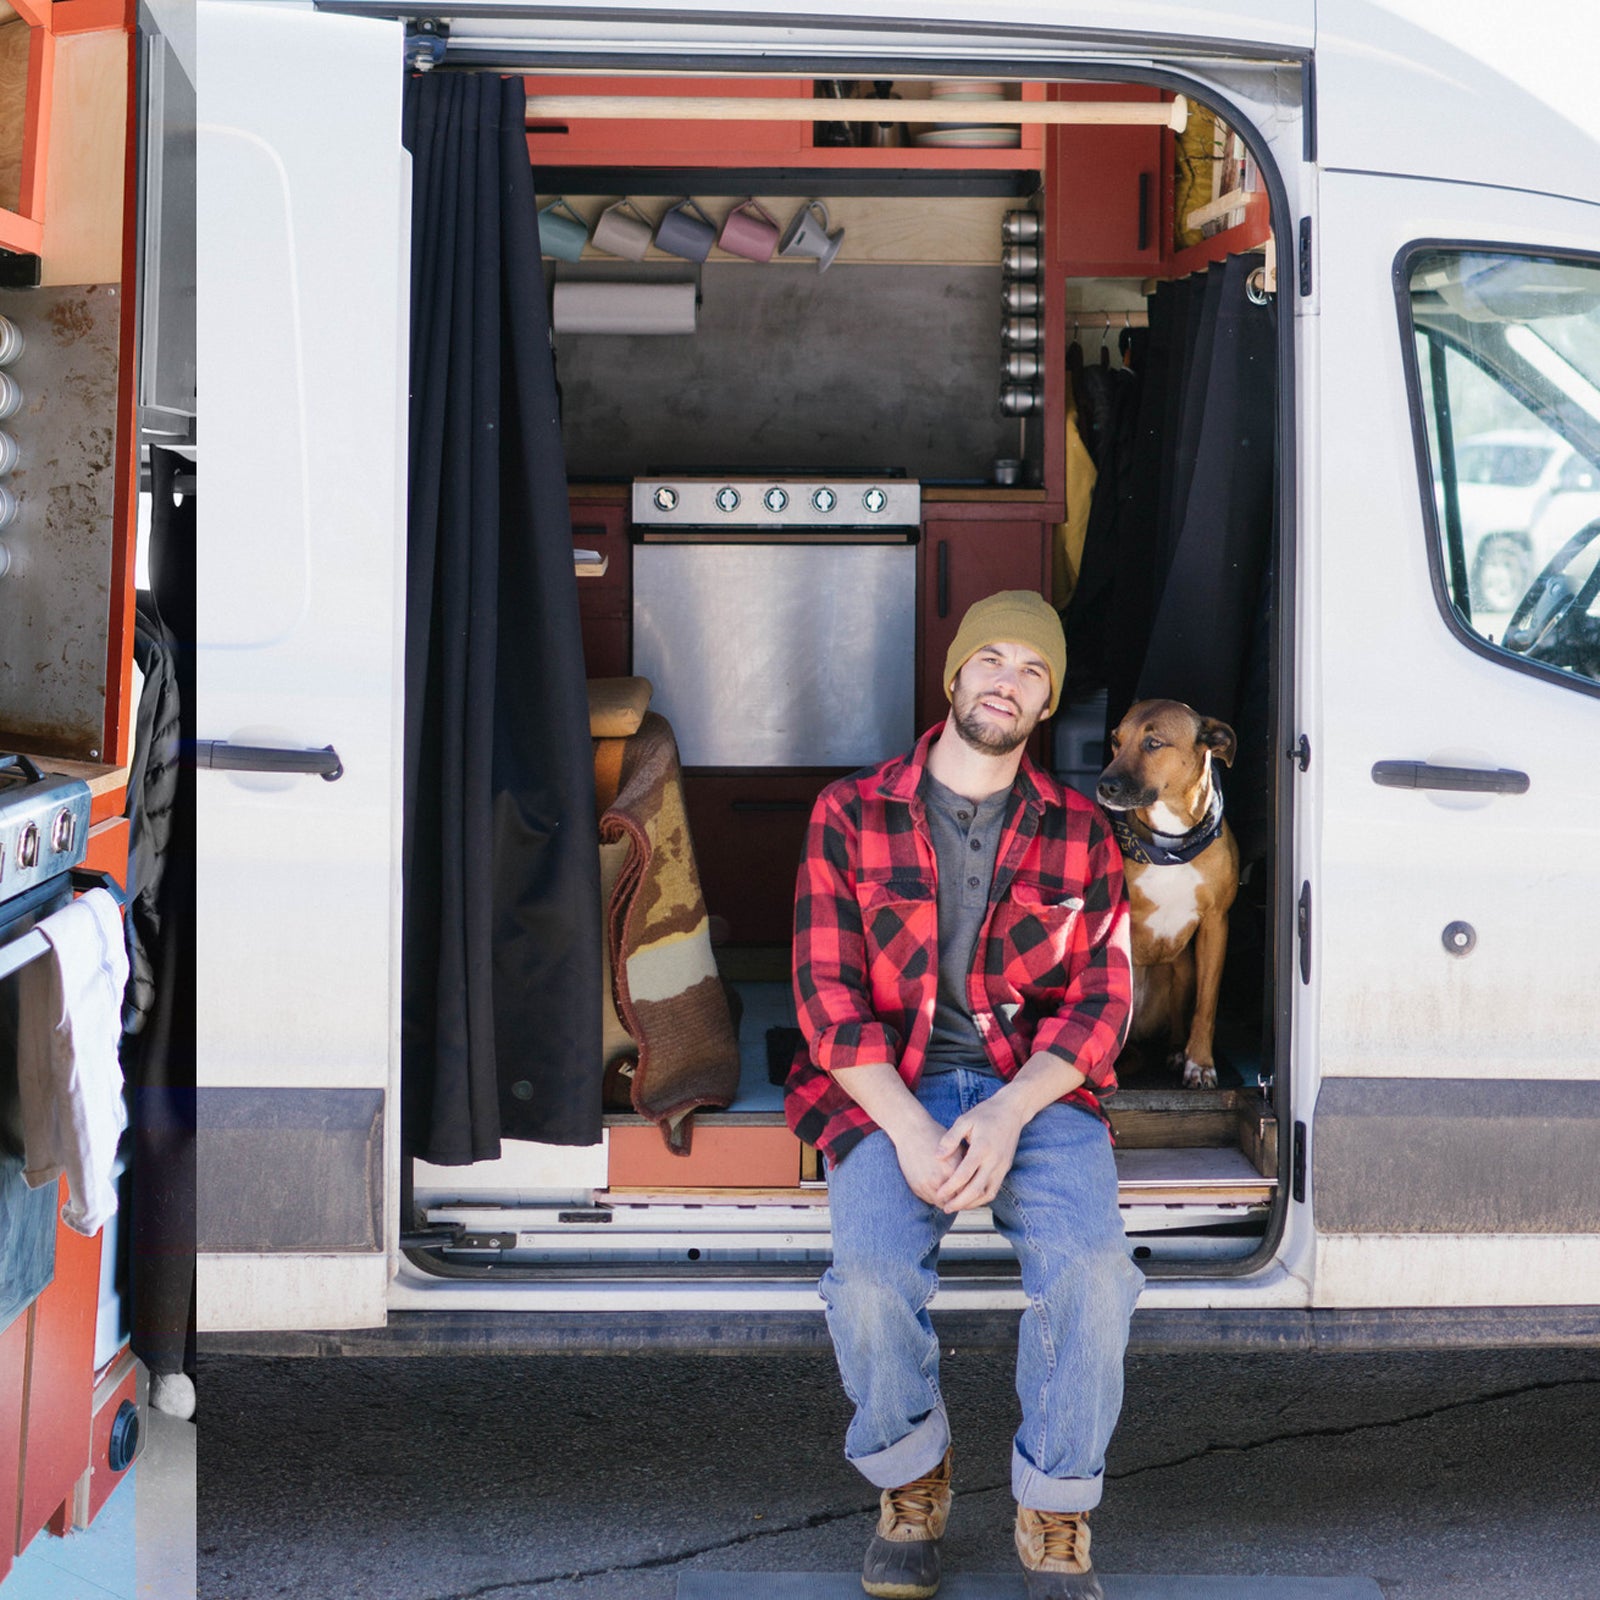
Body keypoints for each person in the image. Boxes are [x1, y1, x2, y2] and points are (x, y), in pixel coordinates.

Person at [787, 590, 1142, 1600]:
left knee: (1093, 1278)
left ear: (1046, 702)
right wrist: (906, 1128)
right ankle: (911, 1479)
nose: (1008, 680)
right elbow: (823, 998)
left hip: (1030, 1091)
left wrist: (1006, 1109)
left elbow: (1101, 1000)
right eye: (990, 658)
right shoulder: (849, 813)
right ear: (953, 678)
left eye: (1033, 670)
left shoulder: (1079, 830)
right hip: (882, 1085)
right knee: (864, 1282)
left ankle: (1056, 1504)